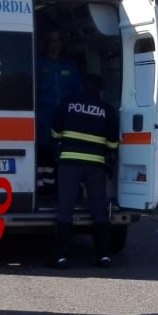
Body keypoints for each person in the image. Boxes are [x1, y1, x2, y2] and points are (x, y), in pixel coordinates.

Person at [50, 73, 119, 267]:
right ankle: (104, 256)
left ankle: (60, 257)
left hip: (69, 163)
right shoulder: (107, 110)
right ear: (101, 91)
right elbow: (113, 143)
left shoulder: (68, 104)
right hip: (95, 165)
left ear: (82, 86)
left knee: (65, 207)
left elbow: (55, 132)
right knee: (98, 208)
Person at [35, 28, 82, 197]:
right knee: (44, 153)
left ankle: (64, 189)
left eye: (58, 41)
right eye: (52, 41)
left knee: (64, 153)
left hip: (66, 116)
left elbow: (77, 91)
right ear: (46, 43)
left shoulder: (69, 65)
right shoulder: (39, 64)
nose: (55, 44)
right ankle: (43, 189)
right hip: (43, 115)